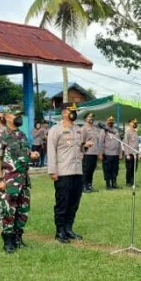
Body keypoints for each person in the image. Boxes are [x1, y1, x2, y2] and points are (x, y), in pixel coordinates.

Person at [0, 106, 40, 253]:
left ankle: (18, 238)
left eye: (20, 114)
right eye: (15, 115)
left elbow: (23, 152)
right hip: (9, 181)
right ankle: (8, 241)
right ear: (6, 117)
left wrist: (32, 154)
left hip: (24, 180)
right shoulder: (0, 136)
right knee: (8, 210)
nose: (19, 117)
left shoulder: (23, 135)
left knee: (23, 211)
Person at [47, 102, 94, 243]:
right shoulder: (55, 130)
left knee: (74, 202)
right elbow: (51, 151)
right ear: (63, 113)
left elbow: (79, 149)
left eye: (75, 111)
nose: (74, 113)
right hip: (63, 172)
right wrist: (52, 171)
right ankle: (60, 231)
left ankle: (68, 228)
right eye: (71, 110)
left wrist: (85, 146)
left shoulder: (78, 130)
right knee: (63, 202)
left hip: (77, 171)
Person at [100, 116, 123, 190]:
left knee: (115, 169)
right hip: (107, 154)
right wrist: (100, 153)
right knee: (107, 169)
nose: (111, 122)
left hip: (116, 154)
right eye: (109, 121)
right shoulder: (103, 131)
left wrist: (120, 153)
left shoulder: (116, 131)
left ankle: (114, 183)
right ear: (106, 122)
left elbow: (119, 143)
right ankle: (108, 185)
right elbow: (101, 143)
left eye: (112, 121)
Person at [81, 113, 101, 193]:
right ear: (85, 119)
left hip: (94, 152)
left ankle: (89, 185)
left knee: (91, 170)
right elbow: (81, 141)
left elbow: (97, 141)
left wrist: (98, 152)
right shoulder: (83, 128)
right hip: (87, 152)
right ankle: (84, 186)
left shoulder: (95, 129)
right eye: (89, 117)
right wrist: (82, 153)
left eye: (92, 117)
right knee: (86, 170)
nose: (91, 118)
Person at [123, 118, 139, 187]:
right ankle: (128, 182)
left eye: (135, 122)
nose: (134, 123)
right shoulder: (128, 132)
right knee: (129, 168)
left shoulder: (135, 132)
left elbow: (136, 144)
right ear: (130, 123)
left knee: (134, 168)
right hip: (129, 153)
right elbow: (125, 143)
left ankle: (132, 181)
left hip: (135, 153)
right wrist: (127, 154)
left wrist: (138, 152)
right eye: (133, 122)